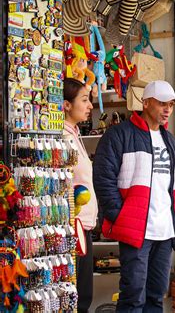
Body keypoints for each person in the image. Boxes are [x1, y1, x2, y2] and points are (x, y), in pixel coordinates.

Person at [93, 80, 175, 312]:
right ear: (145, 103)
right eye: (162, 103)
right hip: (137, 230)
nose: (167, 110)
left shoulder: (170, 140)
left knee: (156, 295)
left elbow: (173, 186)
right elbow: (103, 179)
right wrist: (121, 215)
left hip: (165, 230)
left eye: (171, 105)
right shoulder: (119, 135)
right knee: (133, 295)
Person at [63, 78, 98, 313]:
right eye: (84, 100)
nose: (90, 106)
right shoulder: (63, 139)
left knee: (83, 293)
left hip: (83, 223)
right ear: (66, 105)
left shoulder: (74, 135)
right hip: (74, 224)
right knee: (80, 295)